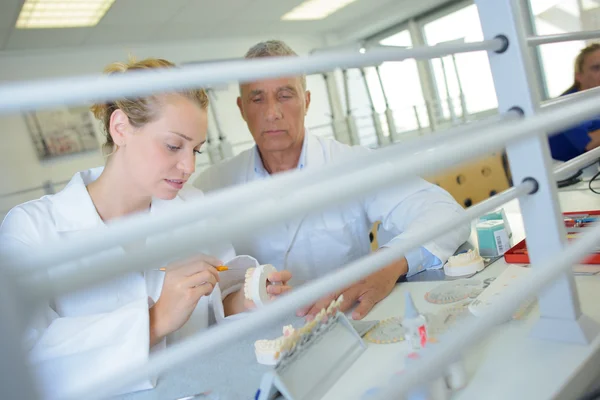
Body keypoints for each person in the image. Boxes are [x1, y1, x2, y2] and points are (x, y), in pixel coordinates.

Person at [0, 58, 291, 399]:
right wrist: (155, 319)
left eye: (196, 149)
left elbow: (218, 306)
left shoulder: (194, 208)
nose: (189, 166)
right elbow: (26, 361)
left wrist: (250, 296)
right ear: (120, 128)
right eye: (173, 146)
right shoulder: (32, 229)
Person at [193, 40, 471, 322]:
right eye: (257, 99)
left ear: (307, 101)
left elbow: (445, 213)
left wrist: (384, 265)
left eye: (285, 95)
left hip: (349, 323)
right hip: (261, 341)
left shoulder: (352, 164)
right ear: (242, 109)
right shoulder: (211, 187)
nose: (272, 112)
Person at [549, 43, 600, 162]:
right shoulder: (564, 107)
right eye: (597, 68)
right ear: (579, 76)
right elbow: (589, 143)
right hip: (566, 175)